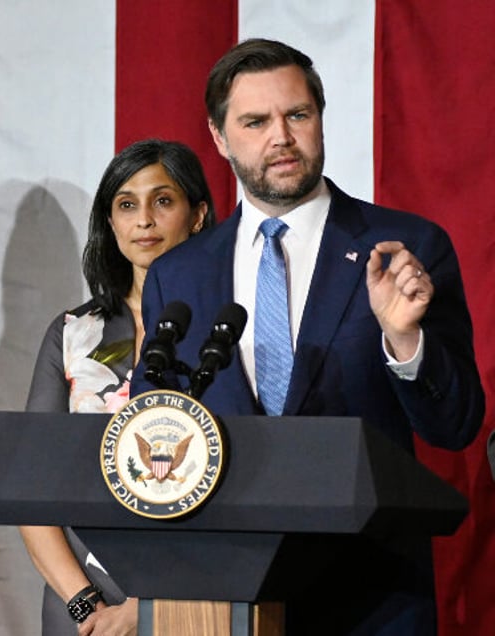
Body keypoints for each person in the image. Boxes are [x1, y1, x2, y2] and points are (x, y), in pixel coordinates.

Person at [131, 39, 484, 636]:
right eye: (255, 121)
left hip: (373, 598)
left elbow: (455, 426)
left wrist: (404, 341)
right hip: (220, 596)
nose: (282, 138)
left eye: (297, 115)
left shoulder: (405, 247)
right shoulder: (179, 274)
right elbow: (155, 416)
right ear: (219, 138)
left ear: (320, 118)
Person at [23, 139, 214, 635]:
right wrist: (88, 607)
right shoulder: (71, 334)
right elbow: (31, 487)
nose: (144, 220)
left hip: (199, 597)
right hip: (79, 606)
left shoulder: (228, 335)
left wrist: (151, 607)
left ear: (197, 215)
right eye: (127, 205)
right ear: (111, 223)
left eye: (163, 200)